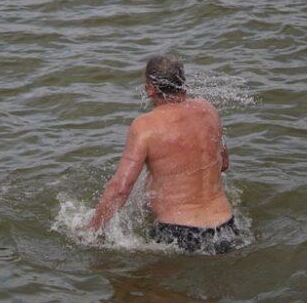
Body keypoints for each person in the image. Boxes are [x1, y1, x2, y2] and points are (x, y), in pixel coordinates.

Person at [87, 55, 238, 253]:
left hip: (178, 233)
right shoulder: (208, 109)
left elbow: (121, 189)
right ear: (182, 82)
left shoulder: (145, 126)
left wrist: (92, 231)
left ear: (150, 88)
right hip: (226, 227)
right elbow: (224, 163)